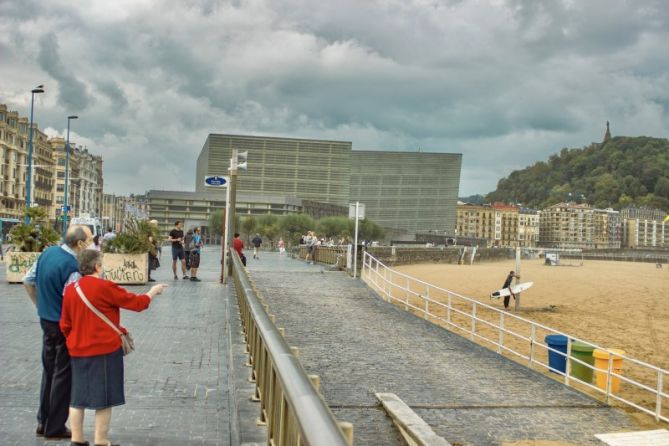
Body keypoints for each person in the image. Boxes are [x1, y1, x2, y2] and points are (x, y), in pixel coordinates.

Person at [60, 249, 168, 446]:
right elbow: (137, 304)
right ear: (97, 266)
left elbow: (65, 324)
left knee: (77, 397)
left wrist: (74, 340)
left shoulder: (70, 289)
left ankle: (77, 439)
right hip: (104, 350)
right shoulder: (105, 287)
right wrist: (153, 292)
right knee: (104, 397)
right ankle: (101, 440)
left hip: (77, 350)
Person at [23, 225, 93, 440]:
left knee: (49, 371)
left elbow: (28, 280)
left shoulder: (48, 253)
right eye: (89, 240)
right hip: (63, 327)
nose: (91, 243)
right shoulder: (72, 266)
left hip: (46, 320)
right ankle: (55, 427)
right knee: (63, 376)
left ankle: (43, 421)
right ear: (80, 243)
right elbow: (73, 301)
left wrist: (39, 305)